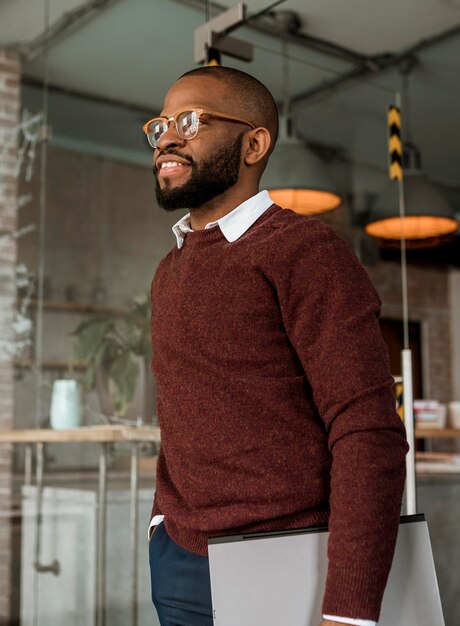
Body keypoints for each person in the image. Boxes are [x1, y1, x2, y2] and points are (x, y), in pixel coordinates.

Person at [144, 66, 408, 626]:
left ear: (253, 143)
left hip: (288, 561)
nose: (167, 137)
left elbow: (368, 431)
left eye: (189, 122)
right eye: (161, 124)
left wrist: (350, 611)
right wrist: (160, 524)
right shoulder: (170, 271)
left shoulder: (306, 252)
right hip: (180, 559)